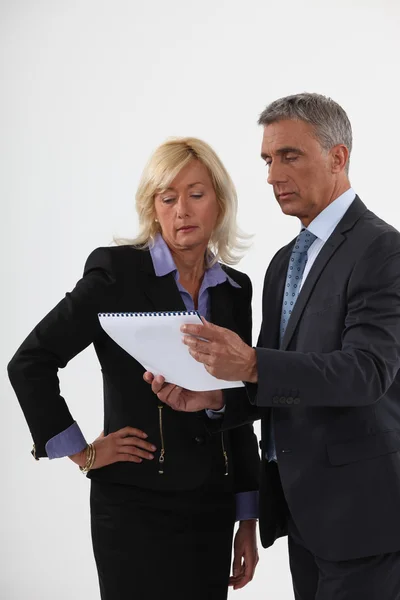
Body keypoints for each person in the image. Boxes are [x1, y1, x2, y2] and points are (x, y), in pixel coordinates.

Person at [146, 94, 400, 600]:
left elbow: (368, 372)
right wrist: (218, 399)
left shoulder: (381, 248)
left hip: (364, 516)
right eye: (267, 160)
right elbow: (275, 383)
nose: (271, 174)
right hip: (302, 512)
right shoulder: (284, 262)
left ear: (338, 157)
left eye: (289, 156)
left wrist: (252, 362)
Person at [7, 137, 260, 600]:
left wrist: (247, 515)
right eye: (168, 197)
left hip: (212, 508)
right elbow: (30, 363)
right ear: (153, 208)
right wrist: (81, 452)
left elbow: (237, 404)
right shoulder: (115, 275)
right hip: (133, 507)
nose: (182, 209)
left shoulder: (234, 290)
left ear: (220, 203)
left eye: (196, 194)